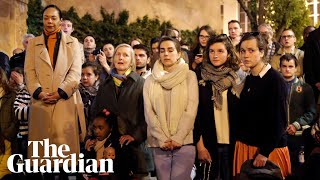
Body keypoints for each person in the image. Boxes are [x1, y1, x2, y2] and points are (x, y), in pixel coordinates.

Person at [24, 4, 86, 168]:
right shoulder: (33, 44)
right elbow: (29, 72)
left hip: (64, 102)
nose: (49, 21)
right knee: (41, 159)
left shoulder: (73, 43)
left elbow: (75, 73)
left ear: (60, 20)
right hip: (40, 103)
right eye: (46, 18)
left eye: (53, 18)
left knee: (63, 160)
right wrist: (38, 92)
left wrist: (60, 92)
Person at [233, 32, 291, 179]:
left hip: (267, 151)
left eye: (251, 50)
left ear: (262, 52)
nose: (246, 55)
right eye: (242, 51)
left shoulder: (275, 80)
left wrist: (264, 152)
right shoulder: (250, 78)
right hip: (247, 146)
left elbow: (280, 121)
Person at [143, 36, 199, 179]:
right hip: (158, 142)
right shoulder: (150, 79)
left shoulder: (190, 76)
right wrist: (162, 138)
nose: (166, 54)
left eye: (170, 50)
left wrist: (178, 137)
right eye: (162, 51)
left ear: (179, 53)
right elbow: (149, 112)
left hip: (184, 141)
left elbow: (191, 109)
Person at [91, 44, 147, 179]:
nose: (121, 58)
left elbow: (148, 115)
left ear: (132, 61)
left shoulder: (141, 84)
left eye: (126, 55)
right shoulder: (105, 84)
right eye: (118, 54)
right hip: (109, 147)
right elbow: (95, 112)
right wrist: (90, 136)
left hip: (133, 147)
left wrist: (135, 135)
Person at [194, 34, 242, 180]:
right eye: (212, 51)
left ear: (228, 54)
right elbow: (194, 115)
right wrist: (200, 147)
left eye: (220, 51)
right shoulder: (199, 77)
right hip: (208, 144)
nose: (215, 55)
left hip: (233, 144)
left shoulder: (237, 78)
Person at [279, 53, 316, 175]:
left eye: (290, 66)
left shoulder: (306, 88)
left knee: (296, 169)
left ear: (296, 68)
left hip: (298, 136)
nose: (287, 69)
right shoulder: (274, 86)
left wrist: (296, 124)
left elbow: (311, 113)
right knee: (279, 168)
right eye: (284, 66)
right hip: (278, 135)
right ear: (280, 67)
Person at [84, 112, 120, 180]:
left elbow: (121, 169)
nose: (96, 131)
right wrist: (88, 151)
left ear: (110, 128)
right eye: (94, 128)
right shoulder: (92, 143)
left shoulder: (117, 143)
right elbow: (86, 168)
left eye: (100, 128)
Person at [12, 67, 31, 159]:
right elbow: (17, 112)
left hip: (29, 134)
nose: (13, 80)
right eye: (12, 77)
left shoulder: (27, 91)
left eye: (17, 76)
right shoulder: (17, 91)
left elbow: (33, 112)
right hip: (21, 135)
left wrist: (27, 109)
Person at [80, 62, 100, 128]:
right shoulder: (77, 92)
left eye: (89, 74)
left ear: (96, 76)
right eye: (82, 74)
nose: (84, 78)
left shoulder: (102, 92)